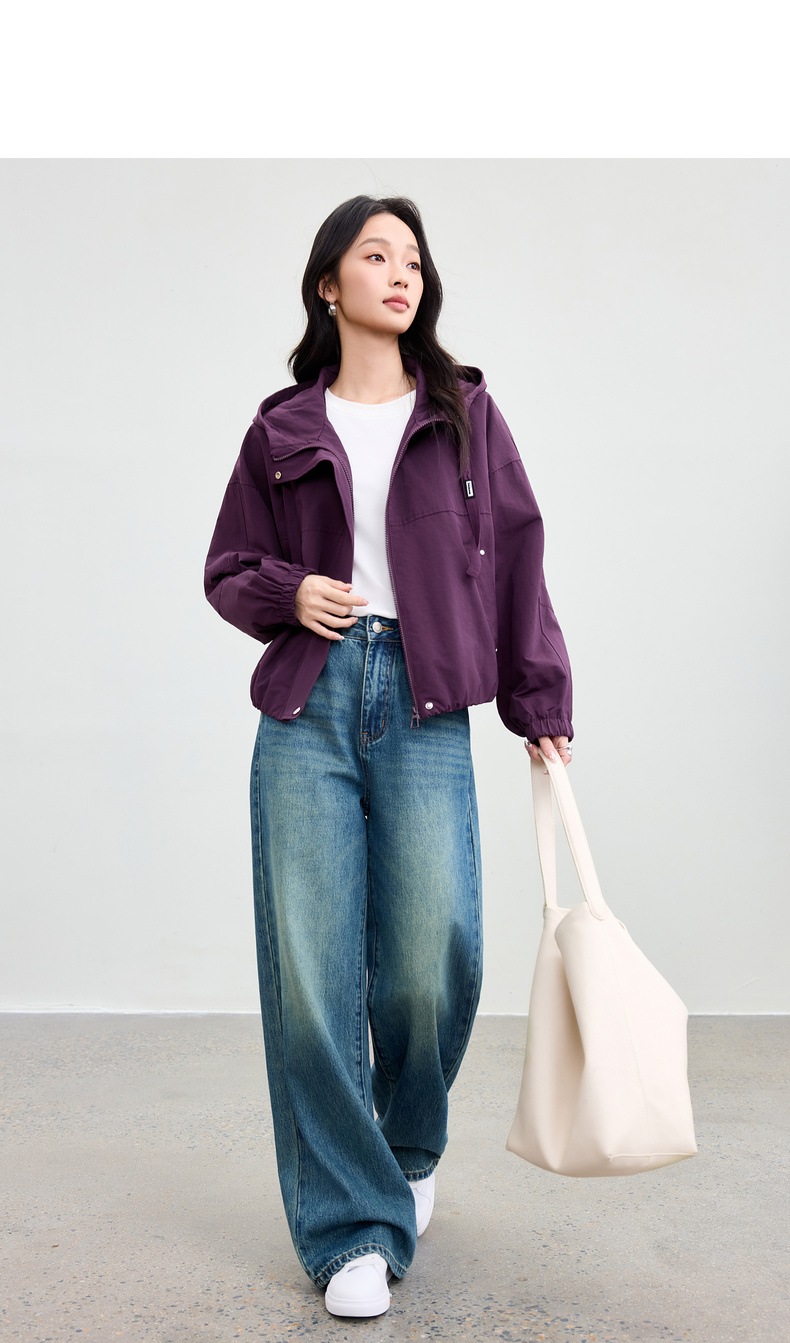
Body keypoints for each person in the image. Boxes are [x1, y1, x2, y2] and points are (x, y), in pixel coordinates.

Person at [203, 193, 574, 1319]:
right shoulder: (281, 427)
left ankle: (407, 1148)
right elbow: (228, 566)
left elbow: (518, 552)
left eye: (413, 258)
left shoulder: (463, 413)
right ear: (330, 283)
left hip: (424, 695)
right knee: (313, 973)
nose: (401, 272)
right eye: (376, 254)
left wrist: (539, 697)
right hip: (308, 702)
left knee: (432, 951)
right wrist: (289, 592)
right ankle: (348, 1227)